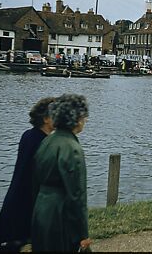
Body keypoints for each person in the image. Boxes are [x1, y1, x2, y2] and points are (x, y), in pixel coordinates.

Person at [0, 97, 56, 252]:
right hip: (29, 197)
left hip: (15, 194)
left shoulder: (28, 135)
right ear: (46, 118)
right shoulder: (45, 142)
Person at [31, 94, 91, 252]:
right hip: (60, 214)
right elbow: (77, 195)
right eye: (84, 117)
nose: (85, 121)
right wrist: (82, 233)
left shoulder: (47, 141)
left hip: (40, 209)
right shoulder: (72, 148)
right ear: (76, 119)